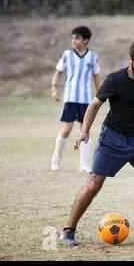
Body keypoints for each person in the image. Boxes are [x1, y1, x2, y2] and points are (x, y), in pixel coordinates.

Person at [60, 38, 134, 246]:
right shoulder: (115, 80)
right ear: (132, 59)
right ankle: (68, 230)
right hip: (113, 137)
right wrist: (84, 132)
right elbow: (94, 106)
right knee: (94, 184)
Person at [51, 26, 101, 173]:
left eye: (77, 38)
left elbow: (96, 77)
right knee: (66, 129)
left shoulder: (92, 56)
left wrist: (100, 95)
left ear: (85, 40)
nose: (74, 40)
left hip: (85, 100)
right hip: (70, 99)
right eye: (72, 38)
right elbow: (57, 73)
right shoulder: (67, 54)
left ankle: (84, 165)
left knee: (84, 130)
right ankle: (56, 157)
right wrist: (54, 88)